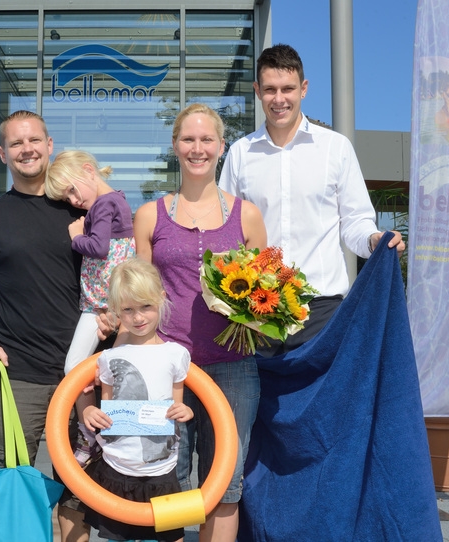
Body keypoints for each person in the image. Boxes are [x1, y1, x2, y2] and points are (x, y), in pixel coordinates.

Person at [134, 103, 267, 542]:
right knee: (166, 481)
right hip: (167, 369)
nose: (197, 148)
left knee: (224, 485)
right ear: (175, 147)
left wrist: (260, 319)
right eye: (188, 139)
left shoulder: (246, 215)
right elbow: (140, 301)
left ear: (221, 147)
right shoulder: (150, 216)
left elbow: (265, 296)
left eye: (206, 139)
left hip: (234, 370)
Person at [219, 43, 405, 355]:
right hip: (257, 310)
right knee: (258, 404)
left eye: (288, 89)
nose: (279, 99)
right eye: (270, 90)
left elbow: (356, 222)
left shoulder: (336, 148)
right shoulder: (240, 154)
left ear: (303, 89)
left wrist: (374, 240)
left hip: (322, 311)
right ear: (257, 90)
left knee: (325, 404)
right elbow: (227, 231)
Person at [0, 110, 91, 541]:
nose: (27, 149)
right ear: (3, 154)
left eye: (34, 140)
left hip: (84, 372)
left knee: (79, 488)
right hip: (19, 374)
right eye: (16, 144)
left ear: (50, 145)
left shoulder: (81, 209)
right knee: (11, 478)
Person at [80, 258, 194, 542]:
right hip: (118, 467)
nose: (138, 317)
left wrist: (185, 411)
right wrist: (92, 412)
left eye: (146, 306)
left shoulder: (176, 354)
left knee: (173, 537)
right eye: (128, 310)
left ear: (161, 300)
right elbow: (108, 410)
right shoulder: (108, 358)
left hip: (166, 471)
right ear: (117, 311)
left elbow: (175, 405)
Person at [44, 149, 136, 467]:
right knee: (77, 368)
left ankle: (95, 432)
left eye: (71, 189)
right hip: (98, 304)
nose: (72, 200)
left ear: (88, 170)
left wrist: (75, 236)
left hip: (107, 304)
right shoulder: (110, 203)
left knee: (86, 368)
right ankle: (91, 431)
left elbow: (98, 247)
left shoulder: (107, 203)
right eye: (65, 197)